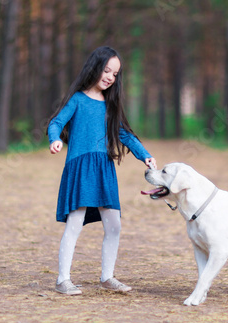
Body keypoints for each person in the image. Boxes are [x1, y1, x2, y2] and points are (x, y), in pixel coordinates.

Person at [47, 46, 157, 295]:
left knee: (114, 225)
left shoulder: (110, 104)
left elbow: (124, 134)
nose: (110, 76)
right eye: (106, 70)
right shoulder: (77, 99)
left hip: (104, 168)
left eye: (115, 73)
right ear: (94, 67)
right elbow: (56, 122)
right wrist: (56, 139)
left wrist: (145, 156)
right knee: (75, 222)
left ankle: (107, 276)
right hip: (81, 168)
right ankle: (63, 280)